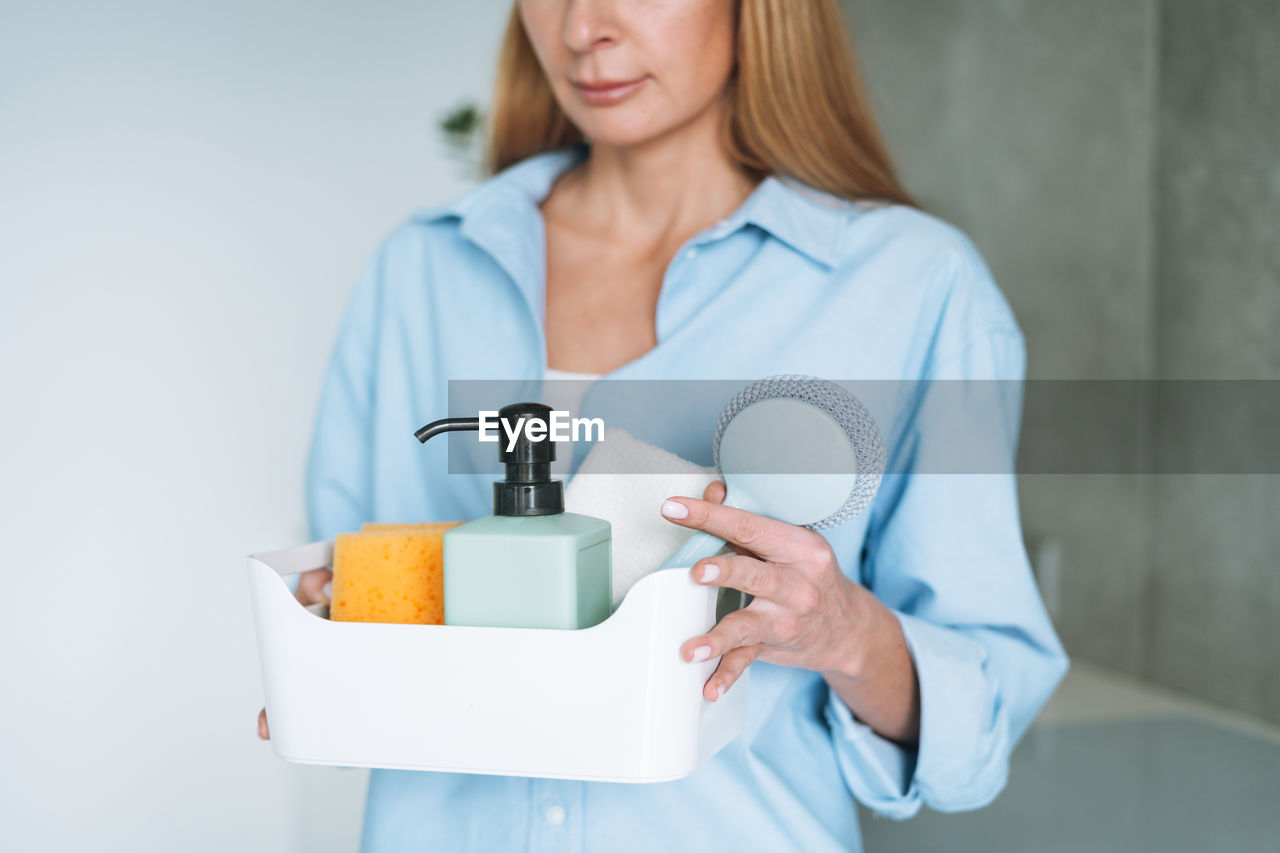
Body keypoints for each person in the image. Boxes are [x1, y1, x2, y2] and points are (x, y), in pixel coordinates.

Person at [256, 1, 1069, 849]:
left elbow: (978, 720)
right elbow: (359, 611)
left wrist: (844, 631)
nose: (582, 29)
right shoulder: (422, 273)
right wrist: (333, 649)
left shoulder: (914, 290)